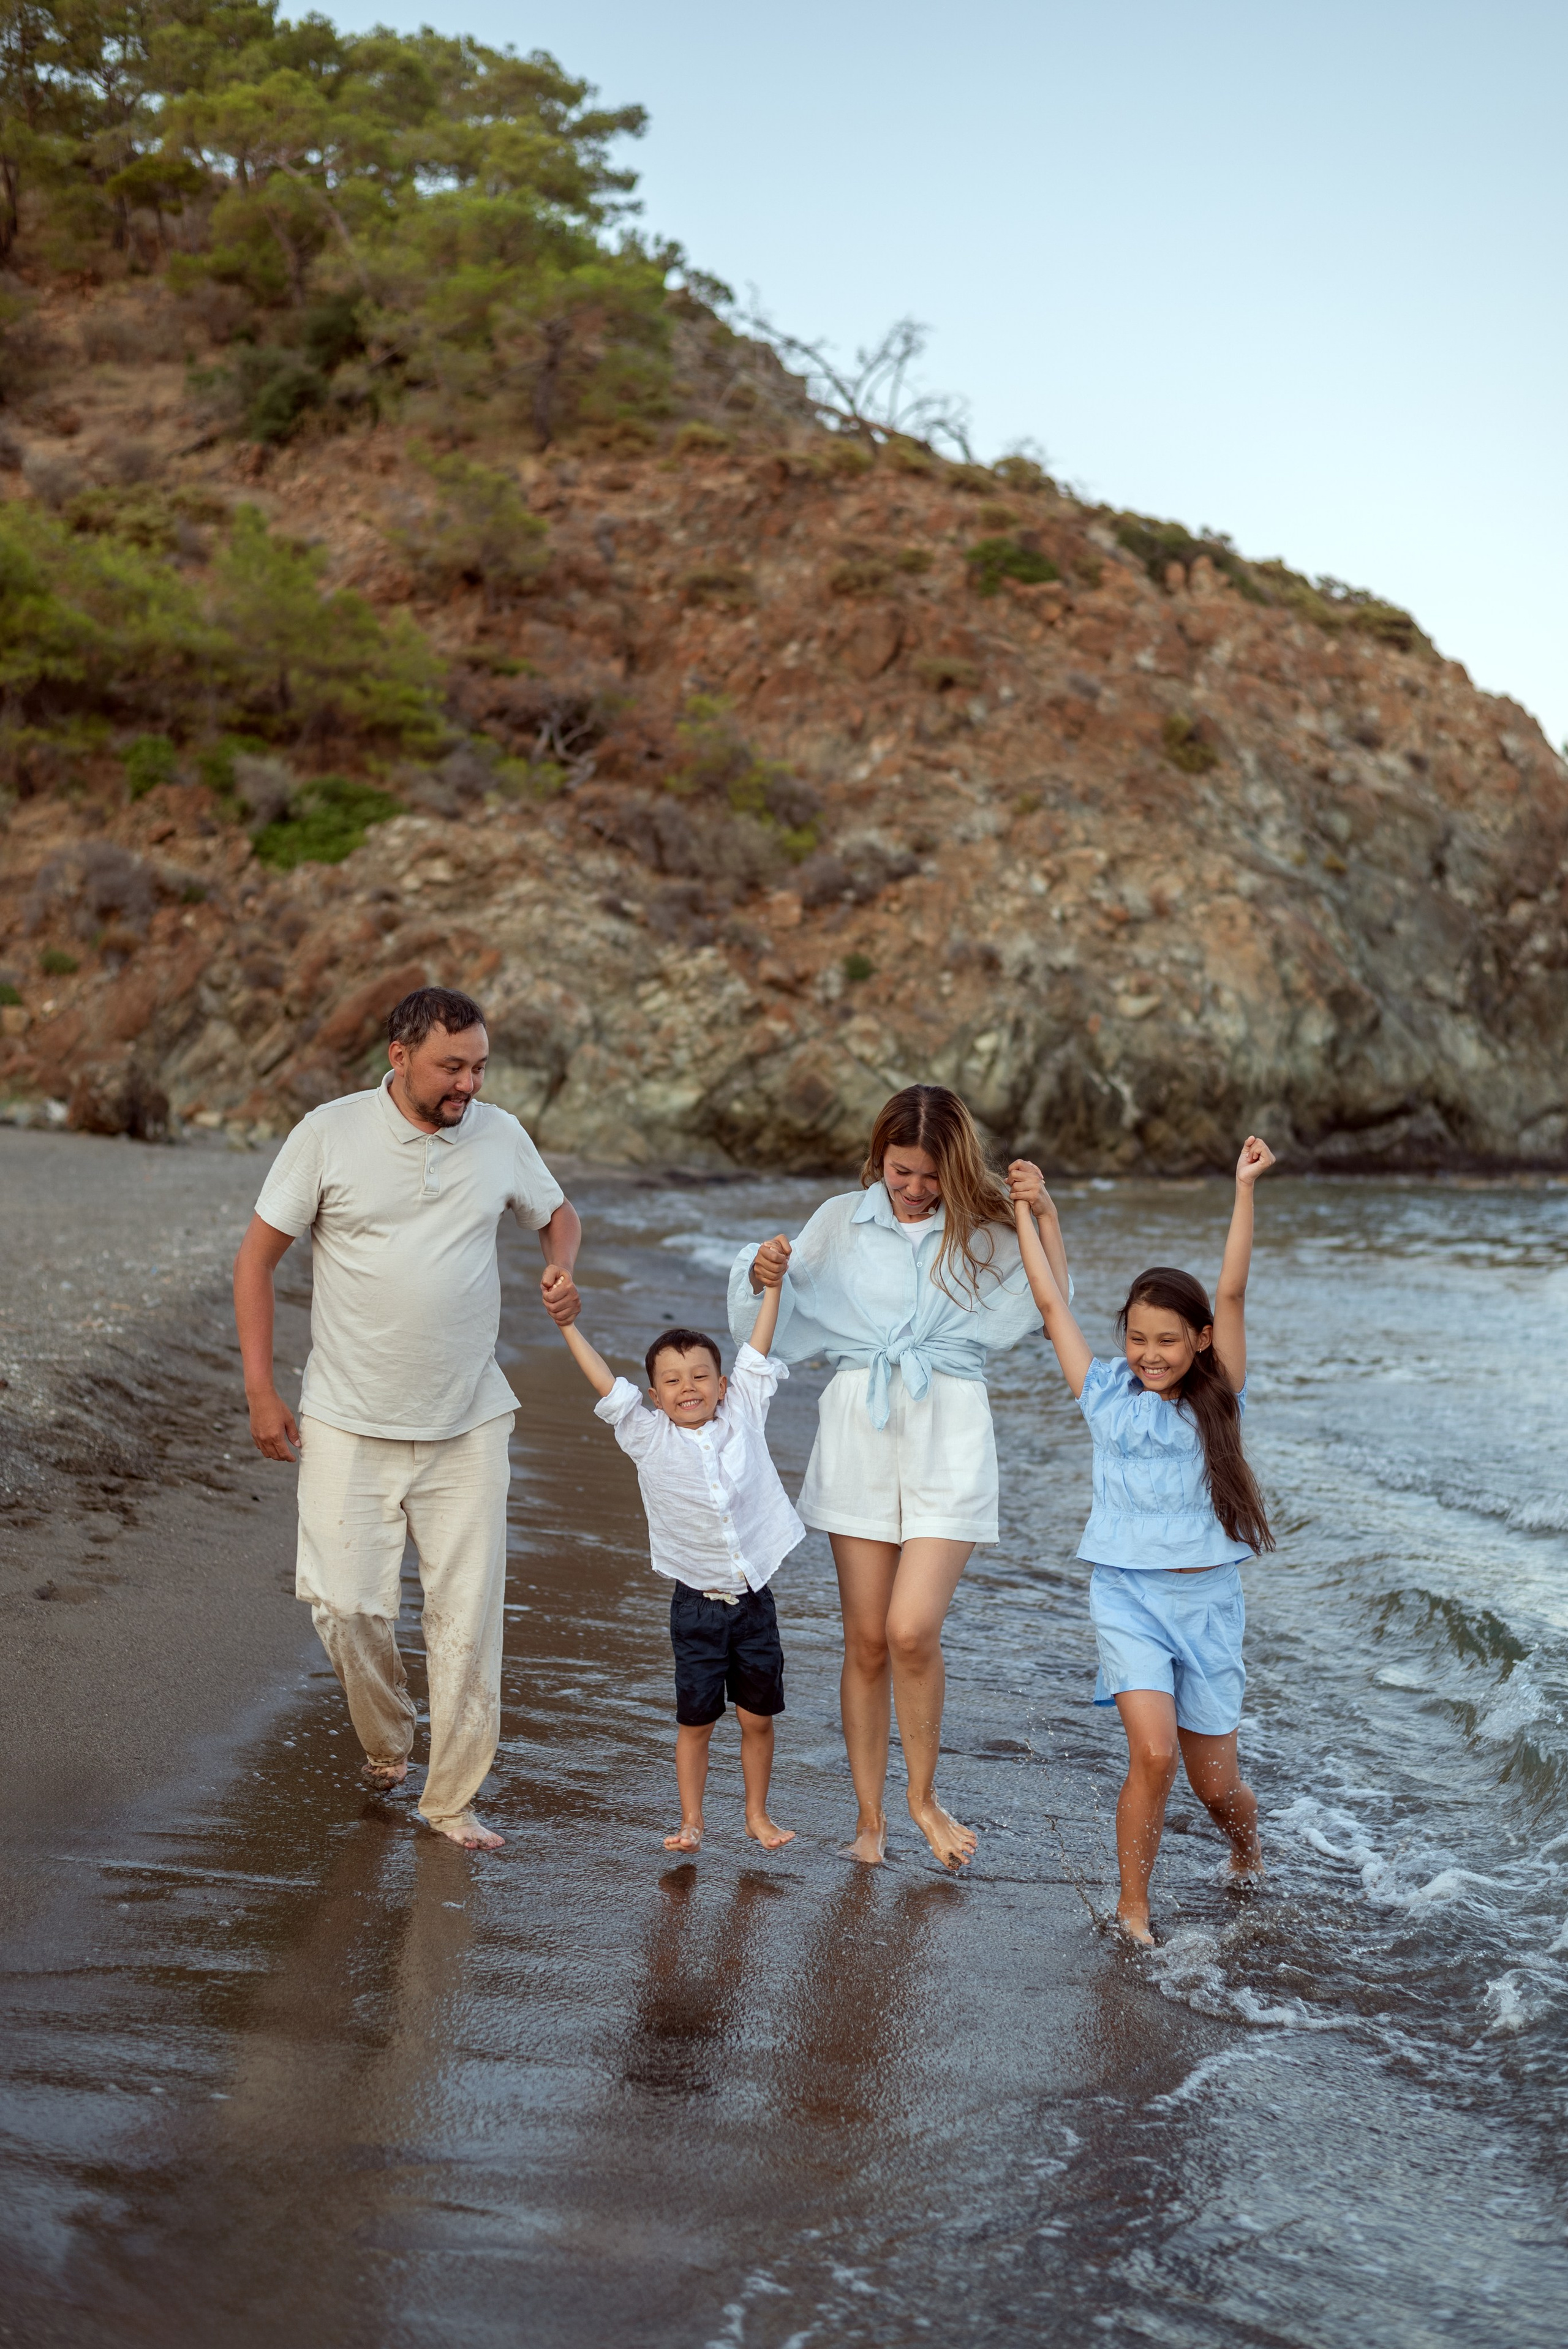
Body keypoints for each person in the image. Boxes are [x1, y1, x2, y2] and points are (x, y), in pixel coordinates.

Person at [233, 986, 582, 1852]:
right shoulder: (329, 1133)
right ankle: (388, 1736)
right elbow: (255, 1259)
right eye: (451, 1066)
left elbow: (557, 1212)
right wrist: (261, 1391)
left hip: (468, 1419)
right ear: (400, 1055)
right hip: (347, 1416)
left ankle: (451, 1798)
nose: (468, 1082)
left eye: (479, 1065)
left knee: (468, 1619)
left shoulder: (499, 1134)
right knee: (346, 1604)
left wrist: (559, 1266)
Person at [728, 1084, 1070, 1871]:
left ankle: (923, 1797)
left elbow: (1049, 1300)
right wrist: (761, 1269)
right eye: (899, 1170)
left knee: (913, 1629)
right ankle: (870, 1818)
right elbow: (775, 1306)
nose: (914, 1189)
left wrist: (1044, 1212)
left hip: (949, 1425)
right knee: (867, 1640)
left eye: (929, 1175)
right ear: (877, 1160)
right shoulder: (839, 1223)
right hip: (860, 1424)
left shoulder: (982, 1229)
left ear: (955, 1167)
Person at [1007, 1138, 1276, 1945]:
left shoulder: (1219, 1395)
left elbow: (1231, 1285)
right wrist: (1029, 1208)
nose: (1150, 1353)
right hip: (1127, 1597)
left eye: (1168, 1338)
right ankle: (1133, 1908)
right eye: (1137, 1337)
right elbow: (1052, 1303)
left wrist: (1243, 1189)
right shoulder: (1103, 1394)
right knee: (1153, 1753)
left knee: (1216, 1783)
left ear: (1198, 1339)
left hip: (1207, 1603)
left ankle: (1248, 1845)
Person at [557, 1257, 802, 1855]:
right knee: (696, 1722)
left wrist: (770, 1288)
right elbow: (602, 1383)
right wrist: (567, 1326)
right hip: (694, 1605)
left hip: (754, 1601)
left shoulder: (744, 1410)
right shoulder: (647, 1436)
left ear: (721, 1386)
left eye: (699, 1375)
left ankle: (756, 1814)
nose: (687, 1386)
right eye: (671, 1380)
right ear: (653, 1396)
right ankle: (691, 1821)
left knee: (756, 1719)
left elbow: (757, 1348)